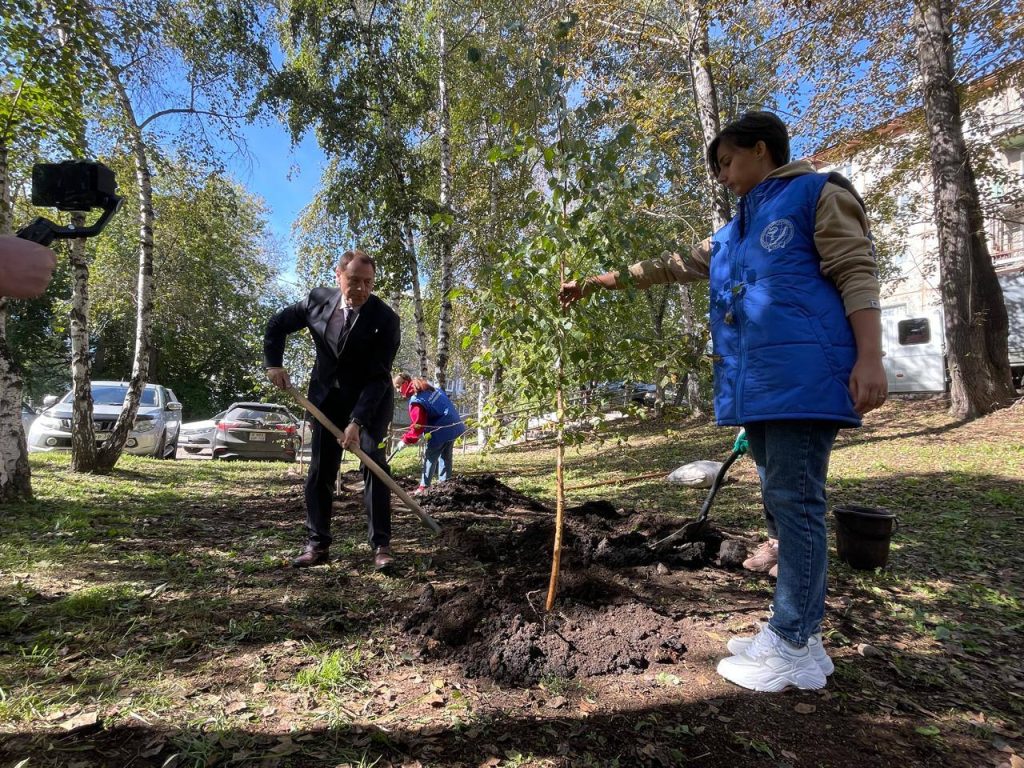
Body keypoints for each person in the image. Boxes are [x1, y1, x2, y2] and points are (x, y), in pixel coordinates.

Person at [560, 111, 887, 692]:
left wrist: (870, 356)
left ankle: (790, 641)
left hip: (804, 378)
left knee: (797, 503)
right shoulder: (737, 228)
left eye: (727, 162)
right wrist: (594, 282)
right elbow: (668, 266)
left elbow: (855, 270)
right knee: (780, 503)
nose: (723, 176)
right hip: (760, 386)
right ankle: (802, 640)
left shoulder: (817, 194)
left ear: (761, 150)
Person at [264, 249, 401, 570]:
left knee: (374, 466)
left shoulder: (386, 320)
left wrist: (357, 421)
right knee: (321, 470)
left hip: (371, 402)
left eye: (369, 283)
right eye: (354, 281)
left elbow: (379, 377)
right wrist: (273, 364)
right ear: (338, 276)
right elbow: (277, 325)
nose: (362, 290)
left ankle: (381, 546)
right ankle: (317, 544)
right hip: (325, 399)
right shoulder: (316, 301)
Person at [392, 372, 467, 494]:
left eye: (399, 386)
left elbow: (418, 427)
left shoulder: (417, 400)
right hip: (453, 424)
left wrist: (405, 440)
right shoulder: (429, 389)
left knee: (430, 457)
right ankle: (445, 485)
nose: (398, 390)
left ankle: (423, 487)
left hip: (441, 428)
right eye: (396, 388)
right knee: (446, 456)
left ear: (406, 383)